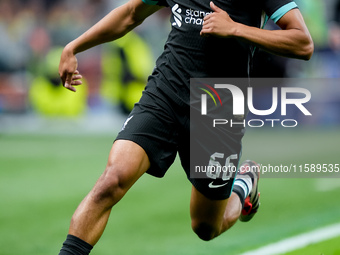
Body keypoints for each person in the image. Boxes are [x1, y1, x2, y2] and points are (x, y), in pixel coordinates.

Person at [58, 0, 313, 254]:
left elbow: (303, 43)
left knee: (205, 227)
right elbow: (131, 13)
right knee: (112, 180)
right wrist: (74, 47)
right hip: (166, 93)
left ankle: (243, 185)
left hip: (219, 108)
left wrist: (235, 28)